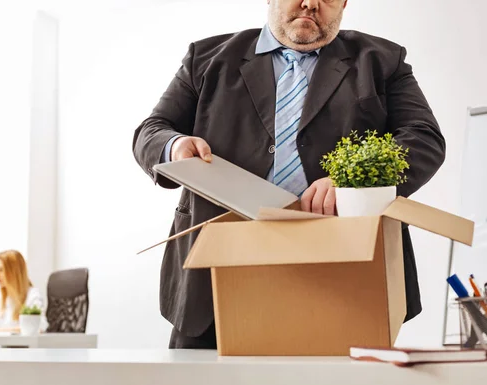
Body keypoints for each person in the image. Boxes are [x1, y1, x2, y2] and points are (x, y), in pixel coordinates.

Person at [132, 0, 446, 349]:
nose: (310, 3)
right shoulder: (206, 58)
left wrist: (354, 181)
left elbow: (423, 138)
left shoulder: (383, 61)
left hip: (345, 275)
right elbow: (152, 131)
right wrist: (175, 145)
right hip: (215, 275)